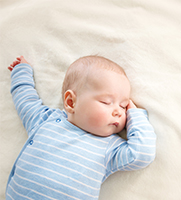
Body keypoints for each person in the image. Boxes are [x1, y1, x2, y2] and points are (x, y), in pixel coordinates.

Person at [6, 55, 156, 200]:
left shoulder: (110, 148)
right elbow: (25, 100)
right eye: (106, 102)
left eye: (123, 106)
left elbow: (142, 153)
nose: (118, 111)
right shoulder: (45, 120)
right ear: (71, 102)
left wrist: (135, 114)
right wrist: (21, 71)